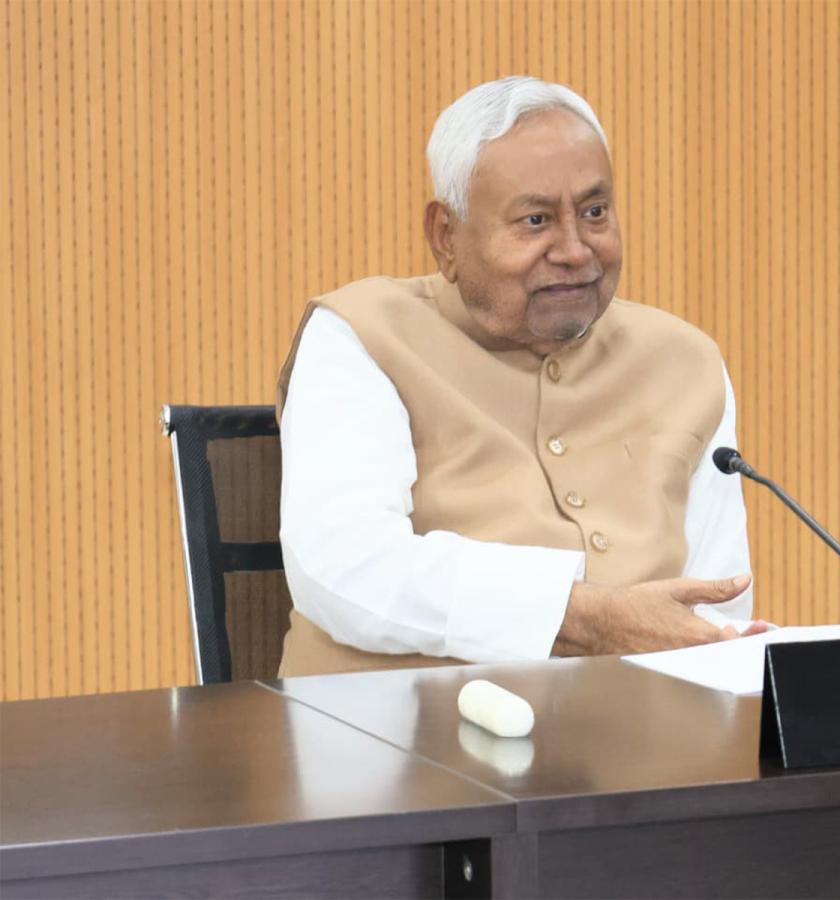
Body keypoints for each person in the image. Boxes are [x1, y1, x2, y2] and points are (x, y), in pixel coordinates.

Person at [275, 76, 766, 678]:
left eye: (594, 213)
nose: (575, 250)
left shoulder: (684, 362)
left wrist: (722, 645)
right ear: (445, 237)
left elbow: (715, 603)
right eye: (535, 221)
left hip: (632, 728)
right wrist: (577, 619)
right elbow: (345, 569)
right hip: (392, 726)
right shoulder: (363, 335)